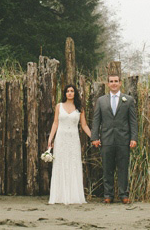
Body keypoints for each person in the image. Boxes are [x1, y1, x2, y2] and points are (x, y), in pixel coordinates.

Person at [90, 73, 138, 204]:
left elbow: (133, 121)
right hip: (106, 139)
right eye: (111, 81)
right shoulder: (101, 100)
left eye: (116, 81)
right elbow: (96, 120)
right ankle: (108, 195)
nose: (114, 83)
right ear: (108, 84)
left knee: (123, 168)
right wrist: (94, 137)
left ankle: (123, 195)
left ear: (120, 83)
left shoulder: (128, 100)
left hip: (123, 139)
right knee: (107, 168)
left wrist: (134, 138)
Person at [47, 84, 92, 204]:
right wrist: (50, 139)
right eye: (67, 91)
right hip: (61, 138)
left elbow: (84, 125)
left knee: (73, 164)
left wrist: (93, 137)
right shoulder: (59, 106)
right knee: (60, 164)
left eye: (72, 91)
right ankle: (59, 196)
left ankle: (73, 196)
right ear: (65, 94)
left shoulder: (79, 108)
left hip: (73, 139)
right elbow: (55, 123)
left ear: (75, 93)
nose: (70, 93)